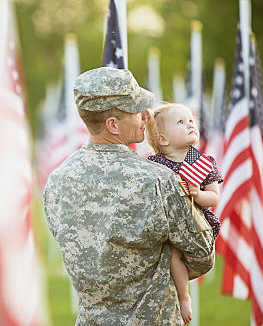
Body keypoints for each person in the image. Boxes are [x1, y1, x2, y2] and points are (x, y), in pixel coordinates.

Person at [43, 67, 215, 325]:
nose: (146, 116)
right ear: (113, 125)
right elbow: (202, 253)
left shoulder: (56, 181)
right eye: (137, 111)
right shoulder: (158, 179)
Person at [146, 103, 222, 324]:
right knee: (172, 254)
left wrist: (198, 194)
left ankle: (184, 296)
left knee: (178, 251)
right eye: (181, 122)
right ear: (163, 140)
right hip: (167, 224)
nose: (190, 123)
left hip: (195, 224)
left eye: (190, 120)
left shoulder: (203, 163)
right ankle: (184, 296)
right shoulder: (156, 165)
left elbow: (214, 197)